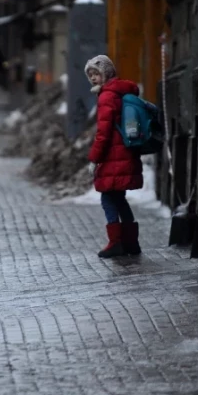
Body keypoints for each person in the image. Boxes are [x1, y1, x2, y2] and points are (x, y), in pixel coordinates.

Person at [85, 55, 143, 258]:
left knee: (108, 198)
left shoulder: (107, 96)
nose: (93, 78)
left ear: (106, 73)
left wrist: (94, 158)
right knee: (119, 198)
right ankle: (130, 242)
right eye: (90, 74)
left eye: (96, 73)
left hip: (113, 155)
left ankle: (116, 242)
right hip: (124, 153)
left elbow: (104, 132)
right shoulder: (120, 91)